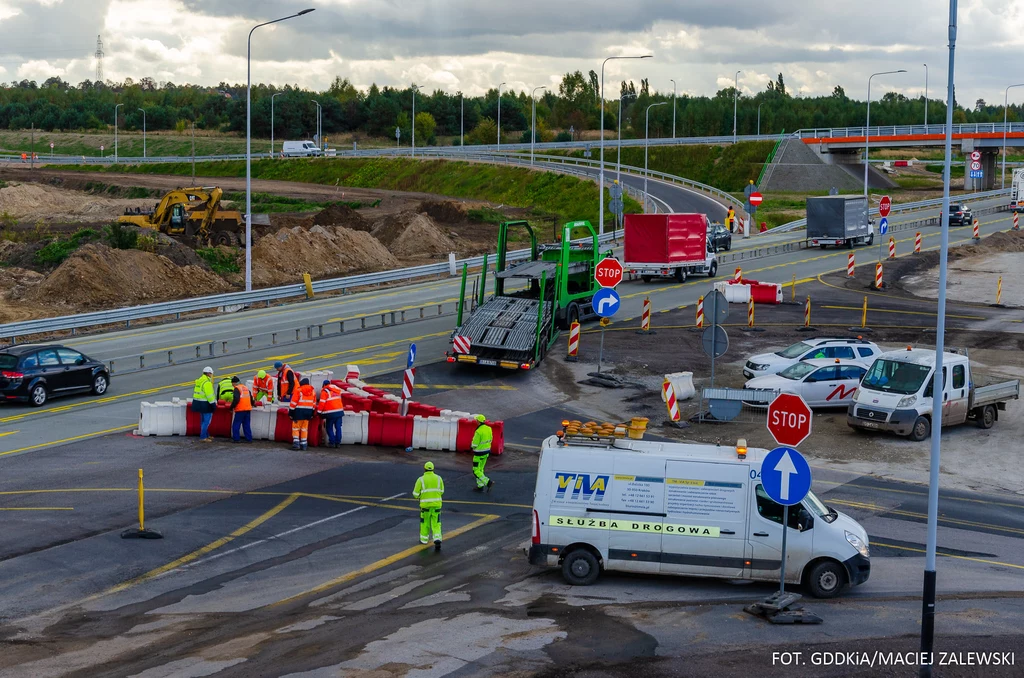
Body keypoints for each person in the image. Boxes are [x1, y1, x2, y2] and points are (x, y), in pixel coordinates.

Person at [412, 461, 444, 551]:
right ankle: (437, 538)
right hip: (436, 506)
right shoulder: (439, 478)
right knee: (436, 523)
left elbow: (415, 494)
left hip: (425, 506)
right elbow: (441, 491)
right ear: (433, 469)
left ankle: (424, 540)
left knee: (424, 523)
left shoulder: (420, 479)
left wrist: (421, 496)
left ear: (424, 469)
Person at [289, 377, 317, 450]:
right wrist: (312, 413)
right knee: (304, 429)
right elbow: (314, 404)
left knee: (296, 428)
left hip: (298, 412)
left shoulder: (298, 390)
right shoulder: (313, 391)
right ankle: (304, 445)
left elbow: (293, 403)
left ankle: (296, 444)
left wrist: (291, 413)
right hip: (308, 413)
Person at [191, 366, 216, 442]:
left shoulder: (200, 381)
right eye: (211, 374)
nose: (212, 375)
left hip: (198, 403)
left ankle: (206, 435)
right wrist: (213, 404)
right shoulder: (207, 383)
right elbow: (209, 395)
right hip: (206, 404)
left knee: (203, 421)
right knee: (207, 421)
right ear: (209, 374)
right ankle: (203, 437)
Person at [317, 379, 344, 448]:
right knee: (338, 428)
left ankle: (332, 442)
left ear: (323, 385)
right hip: (340, 411)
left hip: (331, 413)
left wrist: (319, 412)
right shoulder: (337, 391)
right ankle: (338, 443)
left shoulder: (325, 391)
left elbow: (322, 403)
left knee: (329, 427)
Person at [470, 414, 494, 491]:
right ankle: (480, 486)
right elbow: (491, 439)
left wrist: (471, 447)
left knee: (476, 470)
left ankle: (488, 482)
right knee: (481, 469)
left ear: (478, 421)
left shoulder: (478, 431)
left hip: (478, 454)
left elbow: (474, 444)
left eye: (476, 420)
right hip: (486, 452)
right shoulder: (489, 428)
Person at [230, 376, 253, 443]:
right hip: (248, 409)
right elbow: (251, 397)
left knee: (236, 424)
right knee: (246, 424)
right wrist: (252, 404)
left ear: (234, 383)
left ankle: (236, 439)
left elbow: (236, 399)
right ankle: (249, 439)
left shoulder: (237, 389)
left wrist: (231, 407)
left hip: (240, 409)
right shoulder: (245, 388)